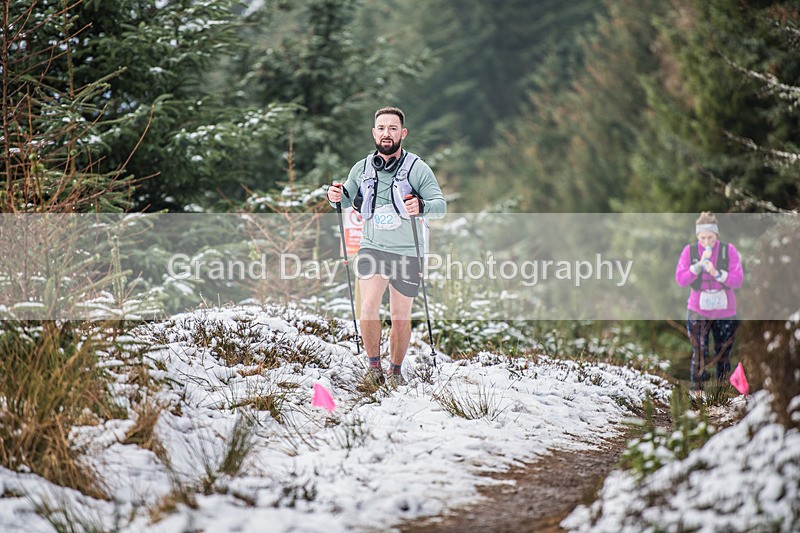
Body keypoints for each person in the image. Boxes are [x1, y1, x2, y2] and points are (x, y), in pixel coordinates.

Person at [327, 107, 446, 387]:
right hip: (372, 247)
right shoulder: (362, 167)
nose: (386, 134)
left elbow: (440, 206)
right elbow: (345, 200)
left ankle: (394, 371)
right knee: (368, 308)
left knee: (400, 317)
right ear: (374, 132)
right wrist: (336, 195)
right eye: (381, 128)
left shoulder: (418, 168)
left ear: (403, 133)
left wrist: (422, 205)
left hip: (408, 252)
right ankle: (373, 367)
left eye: (393, 128)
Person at [675, 212, 743, 392]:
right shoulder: (689, 252)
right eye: (702, 238)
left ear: (716, 235)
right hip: (698, 309)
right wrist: (697, 267)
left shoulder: (728, 251)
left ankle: (722, 395)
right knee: (700, 354)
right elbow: (681, 280)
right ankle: (698, 395)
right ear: (697, 236)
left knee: (723, 356)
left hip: (725, 311)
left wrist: (717, 273)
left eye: (710, 238)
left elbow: (738, 280)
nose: (706, 242)